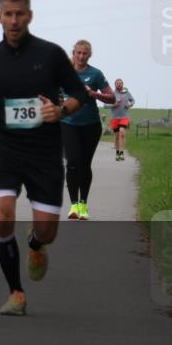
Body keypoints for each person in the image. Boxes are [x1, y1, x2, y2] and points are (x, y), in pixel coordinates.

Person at [0, 0, 87, 316]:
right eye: (8, 14)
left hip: (45, 153)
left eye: (20, 14)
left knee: (47, 230)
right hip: (4, 150)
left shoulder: (51, 54)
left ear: (29, 15)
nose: (14, 20)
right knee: (2, 215)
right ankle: (16, 293)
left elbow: (78, 93)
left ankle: (35, 244)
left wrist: (61, 110)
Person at [61, 40, 115, 220]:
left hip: (90, 125)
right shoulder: (64, 72)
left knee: (84, 165)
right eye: (78, 53)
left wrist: (94, 94)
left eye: (85, 53)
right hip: (68, 123)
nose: (81, 56)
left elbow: (111, 98)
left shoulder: (96, 74)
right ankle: (74, 206)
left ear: (89, 55)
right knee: (72, 162)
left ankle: (83, 203)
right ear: (74, 53)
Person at [110, 79, 136, 161]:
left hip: (124, 117)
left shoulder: (127, 93)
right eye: (117, 83)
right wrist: (114, 104)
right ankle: (117, 154)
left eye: (120, 83)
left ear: (122, 84)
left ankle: (121, 154)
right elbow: (105, 104)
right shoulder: (112, 94)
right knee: (117, 136)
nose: (119, 85)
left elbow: (133, 100)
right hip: (115, 118)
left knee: (122, 134)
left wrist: (129, 104)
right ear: (115, 85)